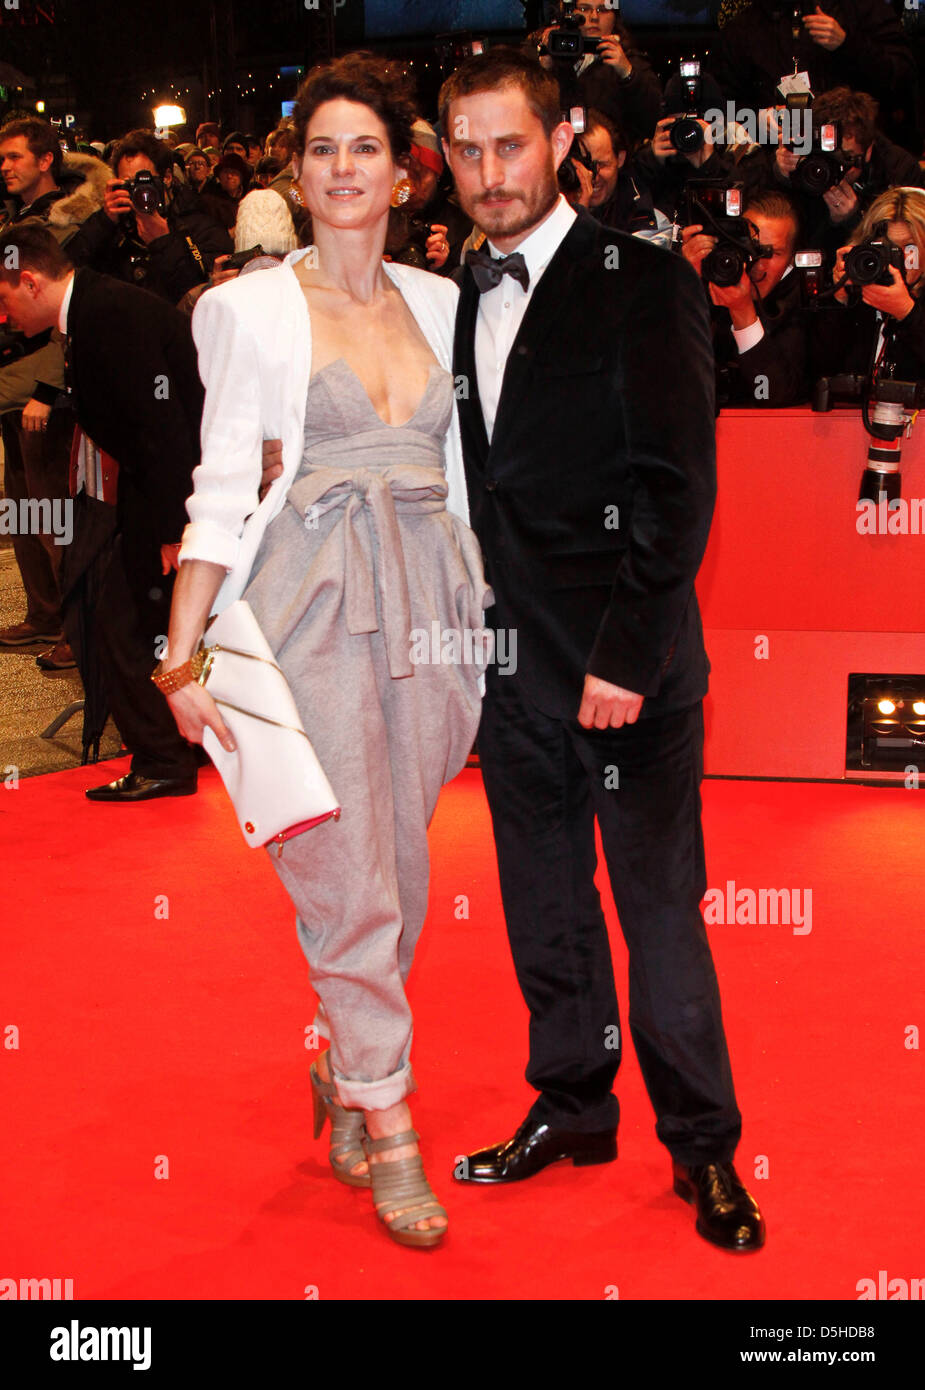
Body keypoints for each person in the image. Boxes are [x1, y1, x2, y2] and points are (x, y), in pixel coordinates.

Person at [159, 52, 490, 1249]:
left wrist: (485, 612)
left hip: (433, 610)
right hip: (310, 604)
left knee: (399, 872)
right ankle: (392, 1122)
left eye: (364, 148)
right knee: (345, 875)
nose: (342, 169)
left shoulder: (446, 302)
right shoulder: (245, 307)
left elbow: (462, 472)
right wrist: (182, 650)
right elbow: (217, 484)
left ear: (407, 171)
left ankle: (346, 1072)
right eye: (319, 150)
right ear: (295, 175)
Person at [437, 49, 765, 1252]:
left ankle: (706, 1149)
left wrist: (622, 656)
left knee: (657, 909)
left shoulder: (640, 276)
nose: (487, 172)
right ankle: (573, 1105)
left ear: (563, 136)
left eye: (508, 144)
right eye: (465, 150)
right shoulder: (463, 287)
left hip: (626, 674)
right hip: (510, 670)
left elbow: (677, 488)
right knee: (543, 907)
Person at [0, 225, 204, 801]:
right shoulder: (93, 308)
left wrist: (173, 530)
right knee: (133, 622)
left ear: (31, 280)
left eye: (4, 297)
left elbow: (160, 430)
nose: (4, 314)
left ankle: (166, 758)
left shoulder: (107, 315)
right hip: (165, 491)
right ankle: (178, 747)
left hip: (173, 494)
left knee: (124, 623)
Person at [811, 186, 925, 381]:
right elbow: (817, 372)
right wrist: (839, 301)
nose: (900, 257)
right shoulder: (858, 294)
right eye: (889, 248)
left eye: (910, 247)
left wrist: (907, 313)